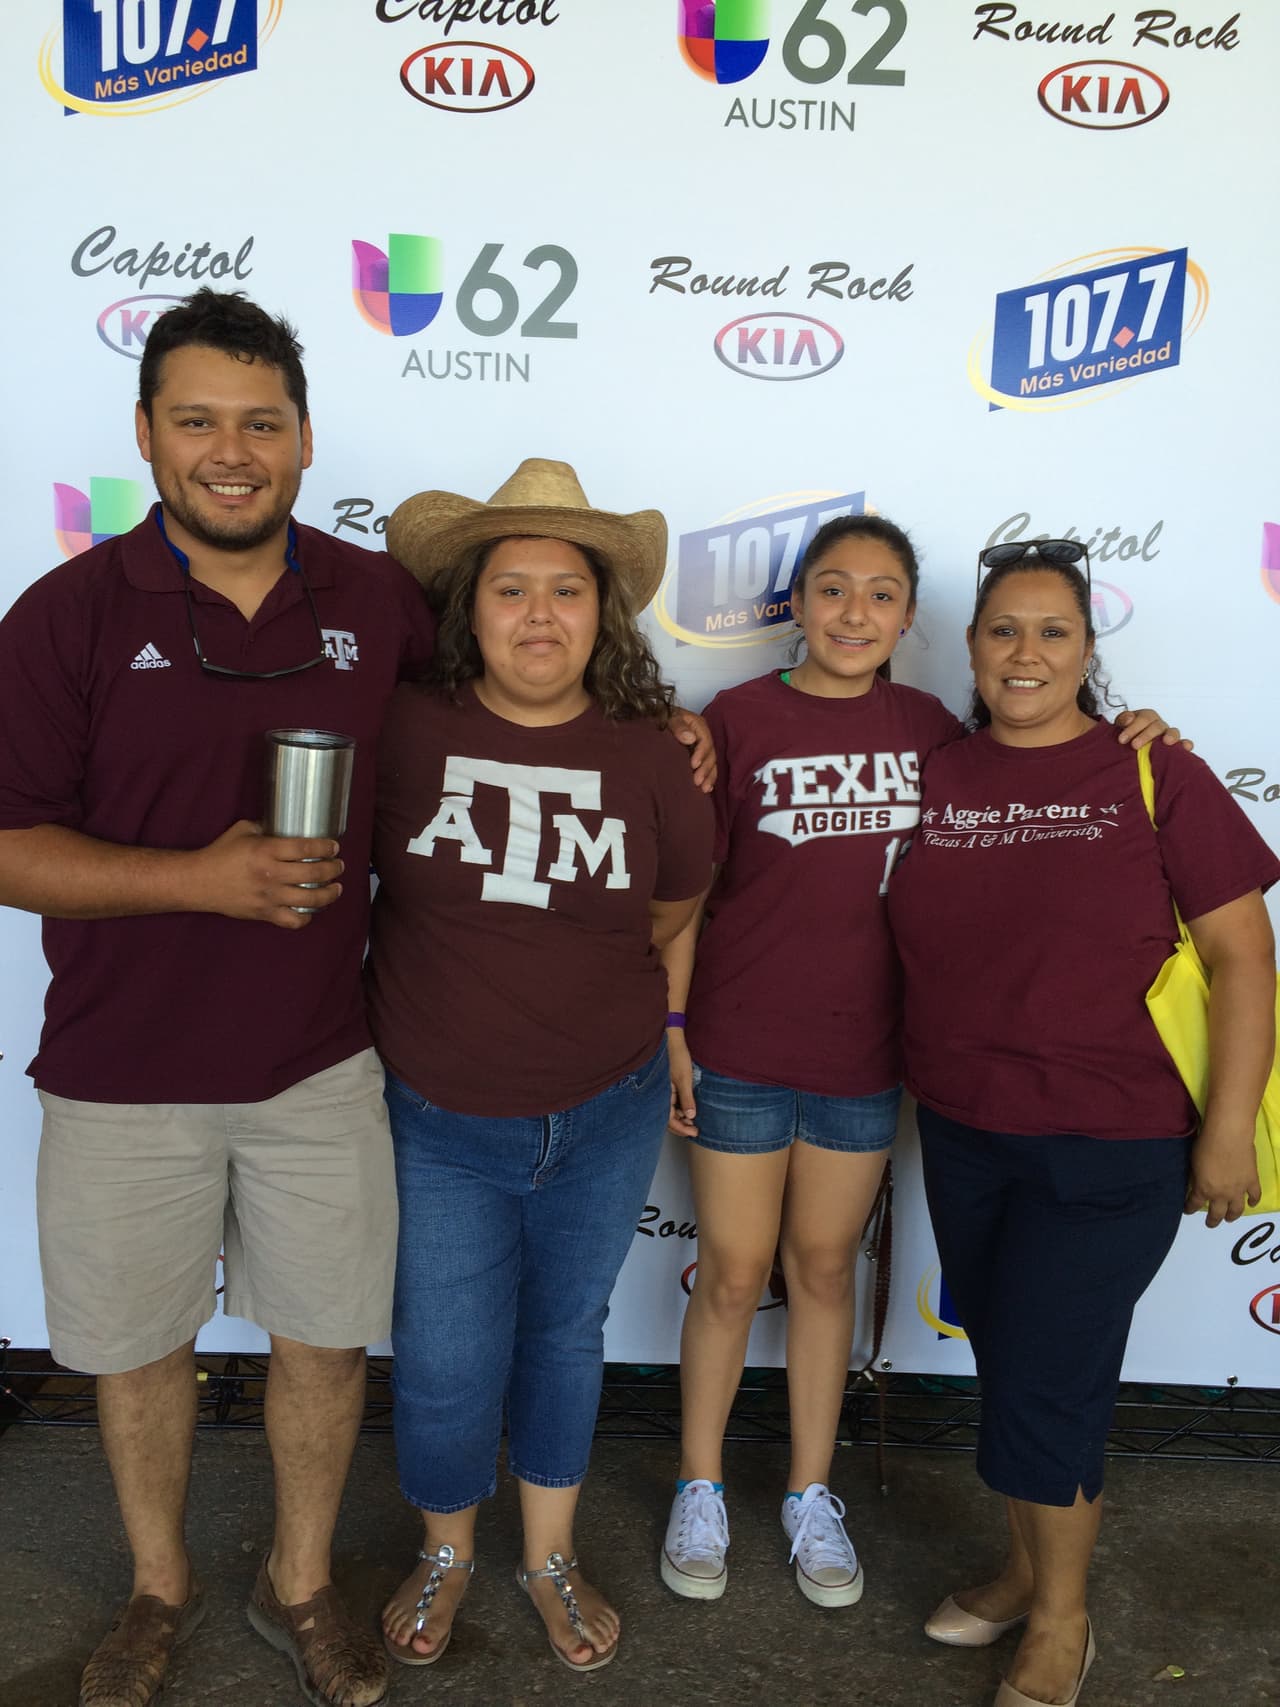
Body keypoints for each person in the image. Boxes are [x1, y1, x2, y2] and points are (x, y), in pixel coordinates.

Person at [0, 288, 436, 1707]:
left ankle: (296, 1582)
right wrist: (202, 879)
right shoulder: (66, 614)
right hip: (117, 1071)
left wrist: (653, 723)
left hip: (319, 1062)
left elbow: (512, 706)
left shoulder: (375, 599)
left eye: (261, 422)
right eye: (197, 421)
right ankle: (157, 1588)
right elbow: (6, 845)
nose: (230, 452)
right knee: (139, 1354)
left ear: (305, 437)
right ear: (147, 435)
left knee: (323, 1344)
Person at [658, 520, 1187, 1614]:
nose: (854, 612)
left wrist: (1138, 728)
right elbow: (686, 894)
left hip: (866, 1059)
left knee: (821, 1271)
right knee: (733, 1274)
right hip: (739, 1047)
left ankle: (809, 1492)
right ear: (796, 604)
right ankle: (697, 1486)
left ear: (908, 617)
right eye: (832, 588)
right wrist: (671, 1026)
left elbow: (1039, 776)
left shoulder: (938, 734)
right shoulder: (735, 719)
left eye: (881, 593)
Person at [887, 542, 1279, 1707]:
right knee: (1012, 1361)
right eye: (1002, 629)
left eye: (1051, 630)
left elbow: (1241, 957)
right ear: (969, 647)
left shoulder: (1153, 772)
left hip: (1111, 1141)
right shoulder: (938, 772)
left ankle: (1060, 1619)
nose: (1025, 652)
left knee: (1048, 1377)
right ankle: (1021, 1572)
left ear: (1086, 649)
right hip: (964, 1128)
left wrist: (1226, 1130)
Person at [367, 459, 714, 1673]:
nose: (537, 616)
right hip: (438, 1111)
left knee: (565, 1335)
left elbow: (672, 912)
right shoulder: (402, 726)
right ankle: (447, 1550)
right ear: (468, 609)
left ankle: (549, 1555)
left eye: (565, 590)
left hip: (606, 1106)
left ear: (600, 613)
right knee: (445, 1351)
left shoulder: (658, 751)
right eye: (508, 588)